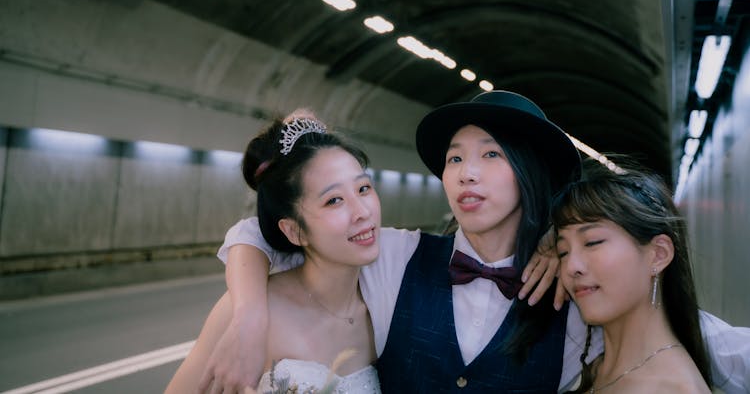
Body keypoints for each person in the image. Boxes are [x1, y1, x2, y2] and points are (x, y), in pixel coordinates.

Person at [205, 91, 750, 393]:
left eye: (491, 155)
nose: (467, 173)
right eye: (455, 159)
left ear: (528, 171)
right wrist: (250, 315)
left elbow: (692, 338)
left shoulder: (576, 289)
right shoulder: (394, 258)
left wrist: (558, 250)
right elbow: (269, 228)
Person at [166, 111, 382, 393]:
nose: (363, 212)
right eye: (334, 200)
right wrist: (249, 316)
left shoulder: (386, 304)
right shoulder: (245, 312)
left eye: (363, 188)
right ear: (294, 231)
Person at [552, 159, 712, 392]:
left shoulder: (673, 388)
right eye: (563, 251)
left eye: (592, 242)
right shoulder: (594, 368)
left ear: (658, 254)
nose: (571, 267)